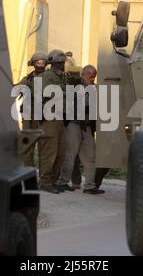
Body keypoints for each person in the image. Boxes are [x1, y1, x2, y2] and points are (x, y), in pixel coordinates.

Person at [56, 65, 104, 194]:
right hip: (73, 124)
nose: (93, 79)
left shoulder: (94, 88)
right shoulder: (73, 85)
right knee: (69, 155)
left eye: (94, 76)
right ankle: (62, 182)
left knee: (91, 156)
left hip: (86, 126)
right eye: (91, 76)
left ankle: (89, 185)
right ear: (83, 74)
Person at [37, 49, 68, 194]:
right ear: (53, 63)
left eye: (63, 62)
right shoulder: (47, 76)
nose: (62, 65)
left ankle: (52, 181)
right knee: (50, 151)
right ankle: (45, 181)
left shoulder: (62, 77)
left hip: (60, 117)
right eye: (60, 63)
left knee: (60, 151)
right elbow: (44, 93)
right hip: (49, 117)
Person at [16, 52, 48, 166]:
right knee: (27, 143)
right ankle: (28, 168)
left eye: (42, 62)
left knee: (44, 145)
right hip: (28, 114)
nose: (40, 64)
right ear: (33, 63)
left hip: (44, 115)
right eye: (38, 62)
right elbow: (15, 89)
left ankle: (44, 174)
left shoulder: (49, 77)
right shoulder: (28, 78)